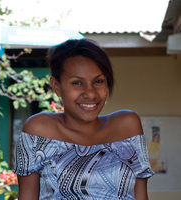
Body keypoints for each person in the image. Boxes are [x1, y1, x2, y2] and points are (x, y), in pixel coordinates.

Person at [13, 38, 154, 200]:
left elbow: (140, 194)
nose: (91, 93)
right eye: (77, 83)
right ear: (56, 86)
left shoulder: (127, 126)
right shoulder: (38, 130)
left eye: (98, 81)